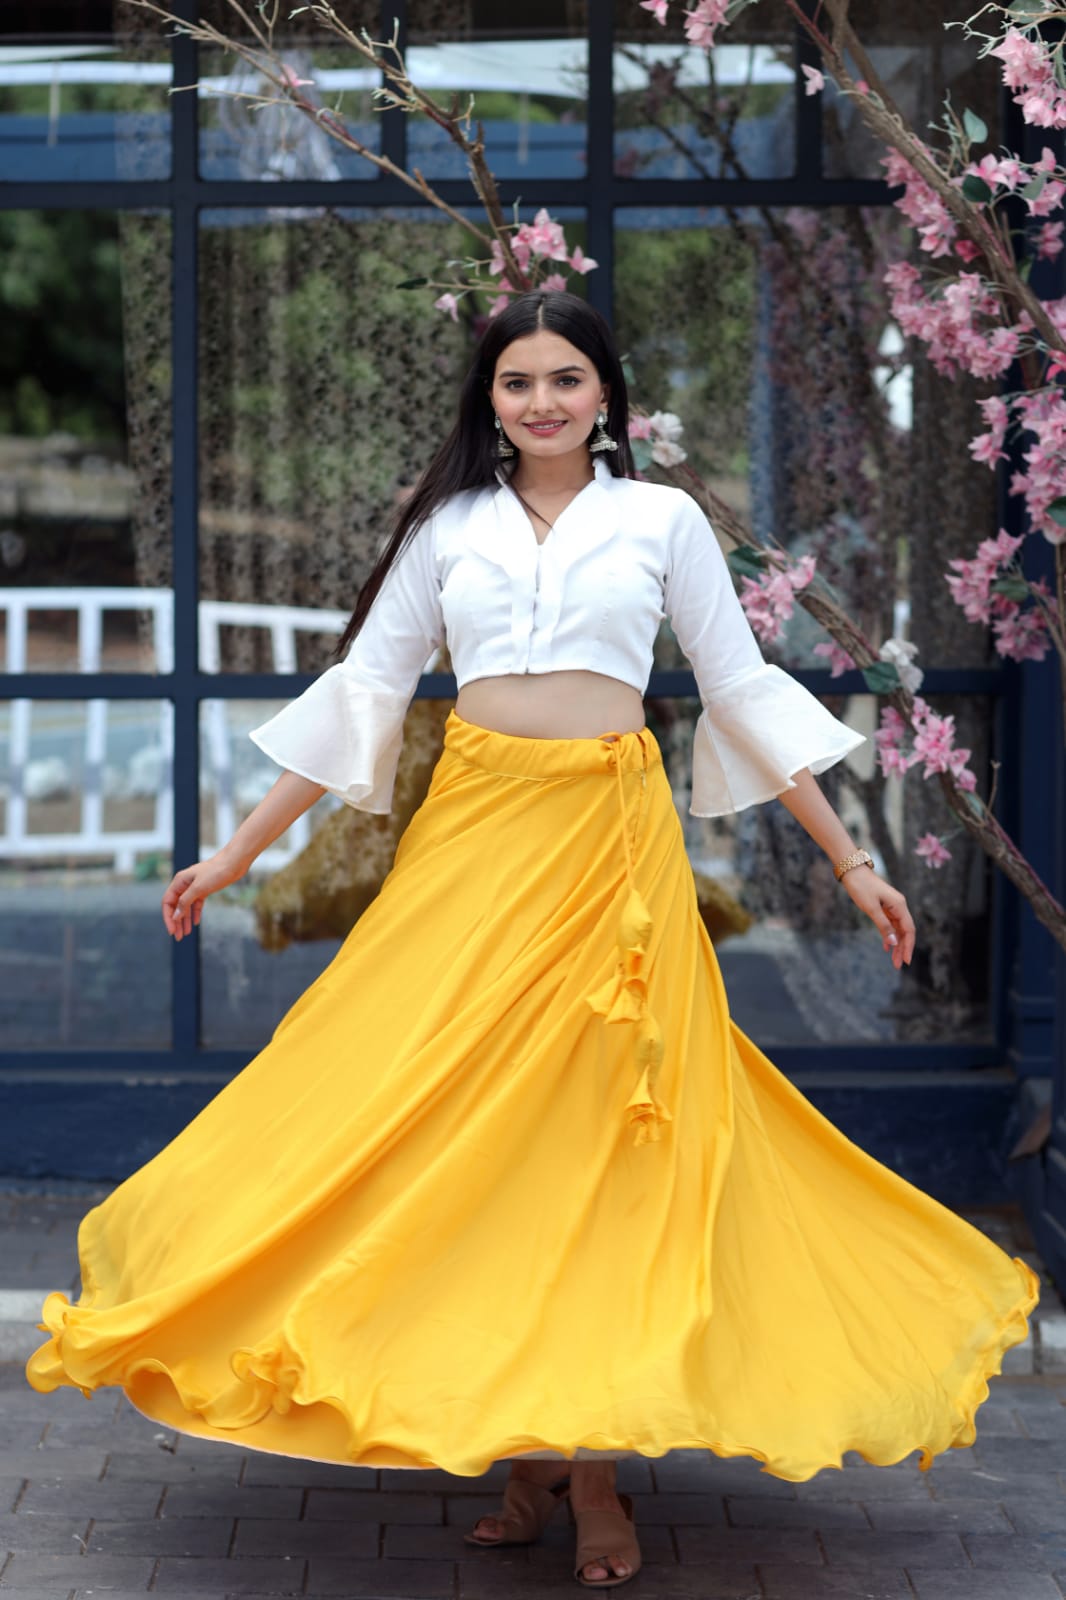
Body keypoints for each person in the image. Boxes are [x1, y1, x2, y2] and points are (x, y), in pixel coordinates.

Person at [26, 289, 1038, 1592]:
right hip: (476, 833)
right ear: (488, 402)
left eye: (566, 378)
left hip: (610, 846)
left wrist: (850, 858)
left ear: (605, 395)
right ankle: (521, 1445)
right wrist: (235, 854)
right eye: (517, 383)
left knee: (602, 1146)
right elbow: (368, 694)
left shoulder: (659, 519)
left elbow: (733, 685)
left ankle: (594, 1469)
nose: (543, 401)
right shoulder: (448, 528)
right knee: (451, 1128)